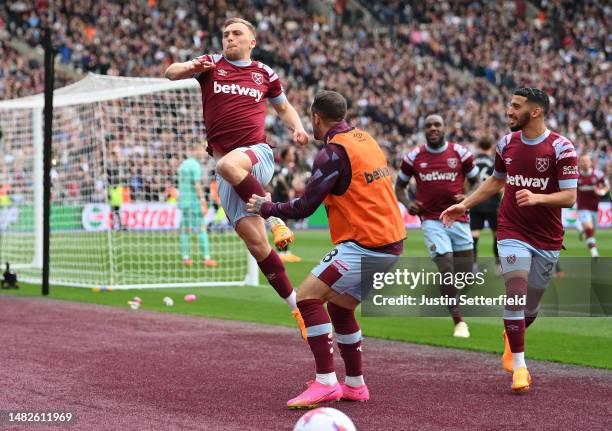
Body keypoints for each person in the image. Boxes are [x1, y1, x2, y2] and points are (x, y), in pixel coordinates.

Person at [247, 91, 405, 409]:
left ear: (316, 118)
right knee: (341, 308)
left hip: (364, 244)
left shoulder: (333, 153)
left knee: (306, 296)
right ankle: (356, 386)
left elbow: (305, 206)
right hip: (392, 243)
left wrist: (267, 207)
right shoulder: (367, 139)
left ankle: (326, 383)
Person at [165, 17, 309, 339]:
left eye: (236, 33)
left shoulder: (264, 73)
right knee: (257, 246)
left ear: (251, 41)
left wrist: (297, 128)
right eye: (226, 33)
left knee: (228, 167)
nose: (229, 38)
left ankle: (276, 220)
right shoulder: (211, 65)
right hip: (227, 167)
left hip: (256, 154)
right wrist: (190, 65)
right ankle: (297, 307)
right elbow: (170, 73)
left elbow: (284, 108)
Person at [441, 87, 578, 392]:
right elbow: (496, 181)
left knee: (529, 308)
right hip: (512, 230)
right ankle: (520, 367)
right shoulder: (506, 143)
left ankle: (510, 334)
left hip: (547, 236)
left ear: (536, 111)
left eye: (516, 106)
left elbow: (569, 197)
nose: (509, 111)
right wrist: (465, 204)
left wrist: (538, 198)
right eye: (509, 105)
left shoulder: (561, 148)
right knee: (515, 292)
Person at [395, 114, 479, 338]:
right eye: (429, 125)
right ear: (424, 129)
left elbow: (478, 182)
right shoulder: (413, 157)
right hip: (431, 220)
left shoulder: (461, 154)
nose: (433, 128)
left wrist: (467, 198)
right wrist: (408, 204)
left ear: (444, 128)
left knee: (465, 274)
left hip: (459, 218)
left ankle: (447, 293)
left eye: (437, 125)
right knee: (447, 268)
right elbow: (399, 187)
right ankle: (459, 322)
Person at [177, 142, 217, 267]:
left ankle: (186, 258)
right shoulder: (195, 165)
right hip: (193, 202)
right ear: (195, 150)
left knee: (184, 230)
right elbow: (197, 184)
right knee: (201, 228)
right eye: (201, 150)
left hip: (183, 201)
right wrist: (202, 200)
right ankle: (207, 258)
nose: (203, 153)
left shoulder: (183, 164)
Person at [470, 136, 501, 270]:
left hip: (475, 201)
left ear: (478, 146)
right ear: (491, 146)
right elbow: (500, 183)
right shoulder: (494, 161)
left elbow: (467, 182)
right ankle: (499, 265)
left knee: (474, 234)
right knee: (497, 234)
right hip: (492, 202)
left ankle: (473, 265)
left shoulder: (472, 162)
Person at [271, 147, 302, 263]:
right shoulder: (282, 168)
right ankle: (280, 252)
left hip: (284, 199)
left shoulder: (289, 167)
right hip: (279, 200)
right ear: (285, 156)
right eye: (291, 153)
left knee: (286, 226)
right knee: (281, 226)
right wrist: (288, 189)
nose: (293, 155)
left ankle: (285, 251)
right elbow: (280, 179)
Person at [576, 154, 609, 258]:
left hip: (594, 209)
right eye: (582, 161)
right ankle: (594, 253)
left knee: (590, 232)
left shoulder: (598, 175)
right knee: (589, 228)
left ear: (590, 162)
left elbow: (607, 186)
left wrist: (602, 191)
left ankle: (580, 228)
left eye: (586, 161)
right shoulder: (576, 176)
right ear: (579, 163)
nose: (584, 163)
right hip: (582, 208)